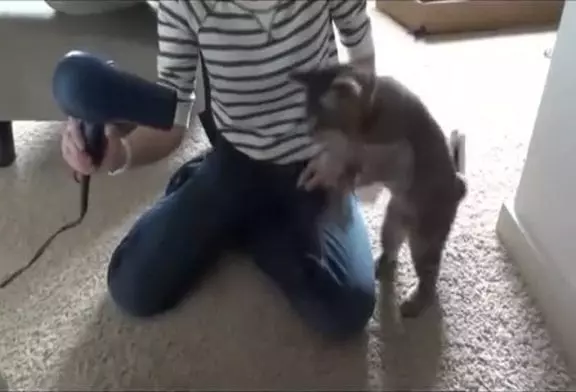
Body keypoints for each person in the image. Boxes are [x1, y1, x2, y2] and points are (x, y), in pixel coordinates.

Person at [61, 0, 377, 340]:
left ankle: (242, 220)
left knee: (347, 308)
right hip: (237, 161)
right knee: (132, 286)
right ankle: (229, 202)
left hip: (318, 159)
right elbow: (171, 119)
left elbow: (362, 59)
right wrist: (119, 153)